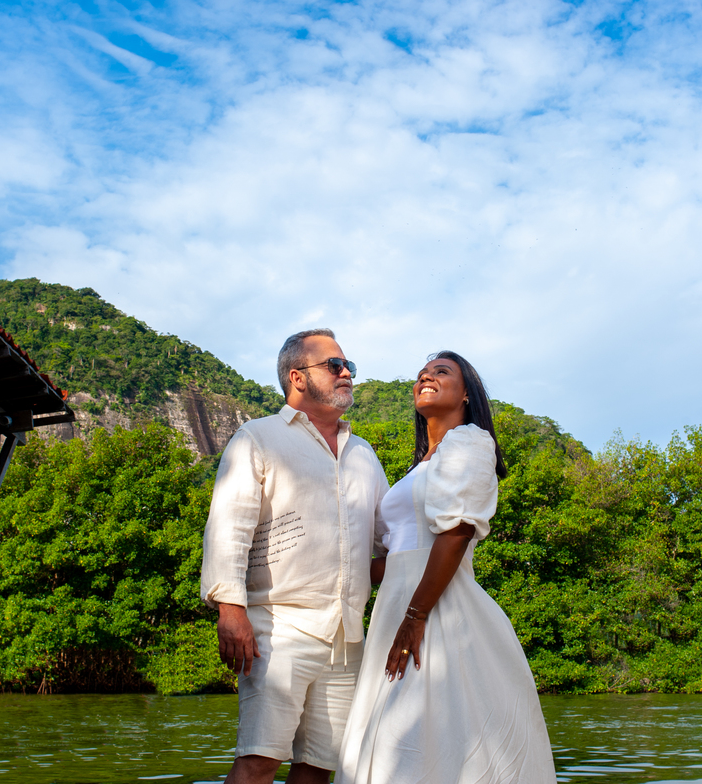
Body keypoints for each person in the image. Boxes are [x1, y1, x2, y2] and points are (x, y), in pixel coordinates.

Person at [335, 351, 558, 784]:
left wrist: (415, 616)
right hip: (396, 608)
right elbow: (398, 557)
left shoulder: (469, 442)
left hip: (435, 608)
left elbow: (456, 533)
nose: (426, 377)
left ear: (467, 394)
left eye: (441, 372)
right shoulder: (419, 467)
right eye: (422, 373)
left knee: (423, 738)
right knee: (391, 737)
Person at [201, 329, 390, 784]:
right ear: (297, 377)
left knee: (319, 767)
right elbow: (229, 527)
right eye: (334, 365)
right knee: (260, 760)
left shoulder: (363, 453)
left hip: (347, 636)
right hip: (277, 626)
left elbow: (387, 542)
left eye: (349, 366)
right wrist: (231, 610)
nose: (346, 374)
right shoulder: (258, 437)